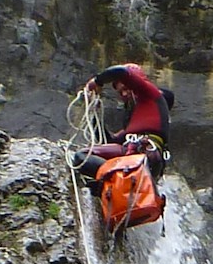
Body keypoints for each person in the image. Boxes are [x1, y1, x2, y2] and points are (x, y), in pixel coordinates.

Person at [74, 62, 173, 237]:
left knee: (81, 157)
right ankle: (110, 187)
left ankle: (108, 184)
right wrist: (94, 114)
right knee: (83, 158)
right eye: (120, 93)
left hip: (142, 154)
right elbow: (110, 141)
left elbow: (120, 72)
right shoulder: (136, 120)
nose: (124, 94)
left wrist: (97, 82)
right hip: (138, 157)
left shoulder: (150, 94)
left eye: (126, 89)